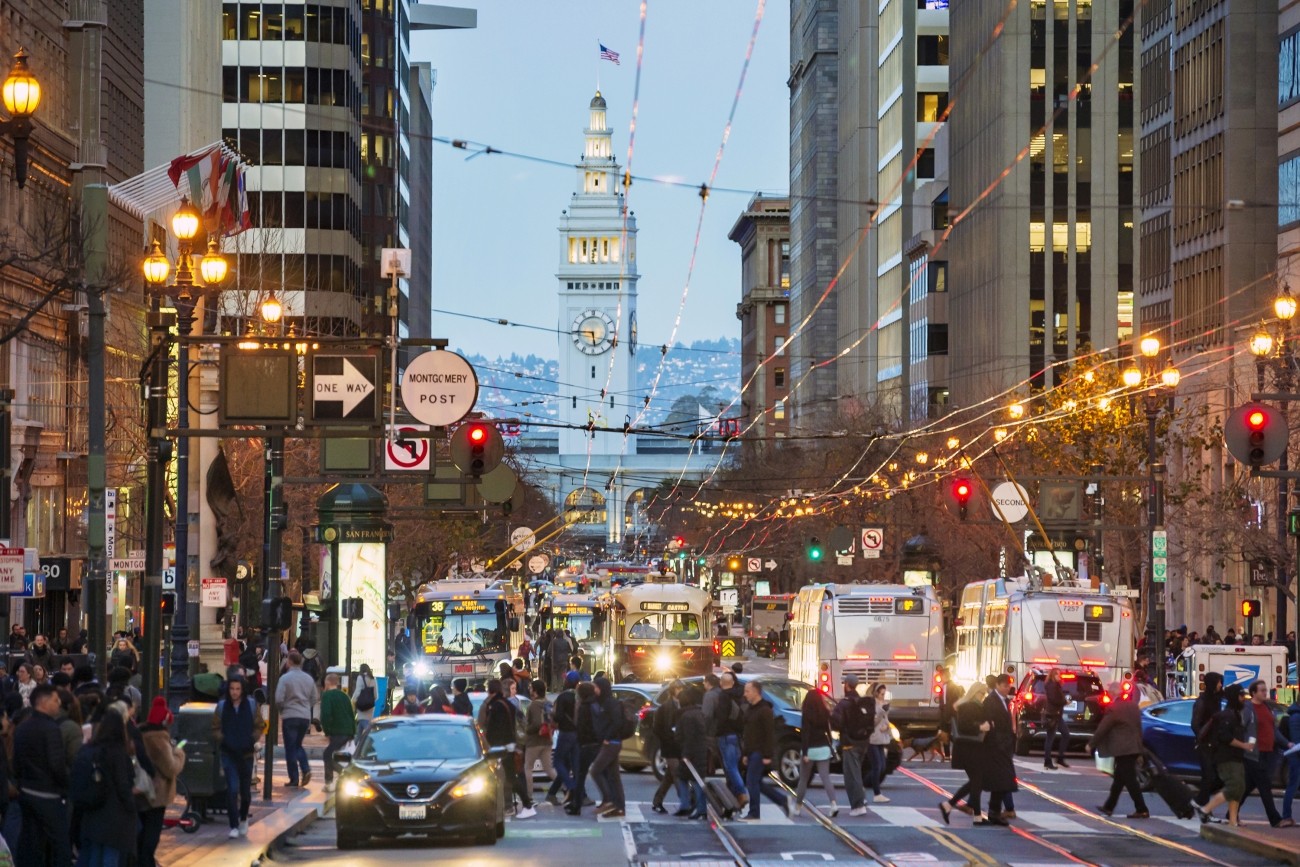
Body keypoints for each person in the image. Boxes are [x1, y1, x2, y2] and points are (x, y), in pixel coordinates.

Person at [14, 684, 72, 866]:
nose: (59, 703)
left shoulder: (23, 728)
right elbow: (57, 764)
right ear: (44, 702)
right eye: (55, 700)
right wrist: (66, 786)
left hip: (26, 791)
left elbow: (16, 762)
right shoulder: (51, 729)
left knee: (31, 843)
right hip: (48, 794)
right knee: (60, 844)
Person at [74, 709, 138, 865]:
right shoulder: (118, 753)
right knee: (110, 856)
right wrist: (132, 807)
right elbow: (123, 786)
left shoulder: (90, 750)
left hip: (93, 811)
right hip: (115, 815)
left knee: (94, 855)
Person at [213, 676, 265, 838]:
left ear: (242, 690)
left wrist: (251, 739)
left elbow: (260, 725)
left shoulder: (250, 705)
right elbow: (215, 727)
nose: (234, 692)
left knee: (245, 792)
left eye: (237, 689)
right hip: (228, 753)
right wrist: (223, 739)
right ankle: (234, 824)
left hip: (246, 753)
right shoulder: (222, 707)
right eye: (232, 689)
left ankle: (243, 818)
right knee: (232, 789)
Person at [1090, 680, 1150, 818]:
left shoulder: (1114, 708)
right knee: (1119, 779)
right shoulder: (1134, 706)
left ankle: (1142, 808)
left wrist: (1091, 744)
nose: (1109, 695)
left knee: (1130, 780)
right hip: (1134, 747)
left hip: (1123, 750)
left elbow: (1103, 728)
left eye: (1110, 692)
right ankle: (1109, 807)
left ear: (1113, 693)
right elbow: (1138, 728)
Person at [139, 697, 186, 867]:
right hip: (156, 794)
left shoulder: (141, 734)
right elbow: (171, 768)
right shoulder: (158, 739)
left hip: (142, 791)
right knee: (151, 835)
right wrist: (179, 753)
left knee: (142, 831)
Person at [1198, 683, 1252, 826]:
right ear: (1235, 697)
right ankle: (1205, 809)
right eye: (1241, 696)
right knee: (1234, 786)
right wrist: (1244, 746)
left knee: (1239, 788)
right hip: (1227, 758)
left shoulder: (1234, 714)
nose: (1244, 699)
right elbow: (1225, 737)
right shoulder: (1228, 715)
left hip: (1235, 756)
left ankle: (1233, 820)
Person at [1241, 679, 1294, 827]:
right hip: (1253, 753)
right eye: (1262, 690)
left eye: (1265, 690)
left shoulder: (1266, 707)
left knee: (1248, 786)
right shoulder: (1248, 708)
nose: (1265, 692)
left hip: (1267, 752)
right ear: (1253, 693)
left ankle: (1230, 813)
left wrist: (1287, 743)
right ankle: (1275, 819)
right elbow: (1241, 728)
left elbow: (1273, 730)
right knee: (1265, 786)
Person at [483, 679, 536, 819]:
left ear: (491, 690)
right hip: (509, 745)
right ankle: (525, 804)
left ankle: (527, 805)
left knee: (508, 777)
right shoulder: (506, 704)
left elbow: (495, 728)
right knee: (510, 777)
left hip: (501, 747)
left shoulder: (496, 705)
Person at [939, 682, 991, 823]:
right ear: (975, 693)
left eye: (984, 694)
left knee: (976, 781)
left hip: (970, 748)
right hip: (968, 748)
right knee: (977, 781)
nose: (983, 696)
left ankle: (951, 806)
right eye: (982, 693)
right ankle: (976, 816)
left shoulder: (971, 705)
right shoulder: (969, 706)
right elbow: (964, 726)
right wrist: (981, 726)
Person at [738, 679, 788, 819]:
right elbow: (748, 733)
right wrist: (745, 753)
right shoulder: (751, 709)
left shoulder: (765, 710)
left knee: (752, 782)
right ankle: (781, 800)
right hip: (752, 751)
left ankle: (754, 812)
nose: (745, 694)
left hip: (759, 752)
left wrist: (767, 755)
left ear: (755, 692)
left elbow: (769, 734)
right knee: (756, 782)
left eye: (747, 691)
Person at [977, 673, 1018, 826]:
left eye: (1008, 686)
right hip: (995, 747)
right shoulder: (990, 701)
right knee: (1001, 780)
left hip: (1004, 747)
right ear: (997, 685)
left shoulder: (1005, 701)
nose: (1007, 689)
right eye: (1004, 686)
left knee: (1003, 781)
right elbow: (988, 721)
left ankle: (994, 811)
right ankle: (993, 812)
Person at [792, 681, 838, 817]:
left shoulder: (806, 713)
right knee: (826, 778)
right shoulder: (825, 713)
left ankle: (798, 806)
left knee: (803, 779)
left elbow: (805, 733)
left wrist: (805, 752)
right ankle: (834, 803)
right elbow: (828, 732)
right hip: (824, 748)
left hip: (810, 749)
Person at [274, 650, 319, 788]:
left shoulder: (285, 679)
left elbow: (278, 698)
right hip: (304, 716)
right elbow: (314, 697)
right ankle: (305, 769)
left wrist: (282, 709)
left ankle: (294, 777)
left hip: (290, 715)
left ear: (289, 662)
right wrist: (306, 707)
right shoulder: (308, 679)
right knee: (298, 744)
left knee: (290, 747)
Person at [830, 674, 872, 816]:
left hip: (849, 743)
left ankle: (858, 805)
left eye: (844, 683)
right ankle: (862, 799)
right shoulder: (861, 702)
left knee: (851, 775)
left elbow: (836, 724)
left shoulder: (844, 703)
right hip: (863, 743)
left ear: (847, 685)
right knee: (857, 773)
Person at [587, 675, 626, 818]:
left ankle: (609, 799)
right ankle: (619, 807)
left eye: (596, 687)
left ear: (602, 688)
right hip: (610, 742)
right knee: (614, 776)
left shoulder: (611, 703)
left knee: (596, 770)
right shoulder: (602, 702)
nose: (595, 690)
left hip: (612, 743)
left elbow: (617, 722)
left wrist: (607, 738)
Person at [650, 680, 688, 814]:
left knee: (669, 777)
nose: (681, 690)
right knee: (677, 774)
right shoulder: (665, 707)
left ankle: (657, 801)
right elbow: (658, 728)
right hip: (670, 747)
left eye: (682, 688)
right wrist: (668, 739)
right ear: (673, 690)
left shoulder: (682, 705)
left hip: (678, 747)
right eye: (679, 688)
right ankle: (686, 802)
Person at [546, 670, 581, 808]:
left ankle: (571, 786)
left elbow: (559, 716)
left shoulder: (563, 697)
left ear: (567, 682)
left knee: (558, 762)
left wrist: (551, 715)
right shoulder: (578, 697)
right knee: (570, 765)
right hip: (577, 734)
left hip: (565, 733)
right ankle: (553, 793)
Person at [714, 671, 749, 810]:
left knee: (731, 767)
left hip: (726, 734)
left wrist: (717, 731)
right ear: (733, 682)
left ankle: (741, 793)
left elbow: (722, 717)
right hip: (738, 735)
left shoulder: (723, 696)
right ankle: (734, 796)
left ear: (721, 683)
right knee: (735, 766)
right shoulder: (741, 695)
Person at [1191, 671, 1225, 808]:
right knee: (1209, 775)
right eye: (1218, 682)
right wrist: (1202, 737)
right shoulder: (1203, 701)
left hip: (1215, 744)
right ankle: (1201, 804)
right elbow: (1195, 723)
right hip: (1206, 744)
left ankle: (1200, 801)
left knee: (1217, 777)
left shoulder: (1216, 699)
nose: (1220, 685)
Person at [676, 685, 709, 819]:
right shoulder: (698, 713)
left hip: (690, 754)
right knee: (695, 780)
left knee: (691, 780)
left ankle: (698, 808)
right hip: (699, 752)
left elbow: (688, 737)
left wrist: (686, 754)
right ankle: (694, 807)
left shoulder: (686, 716)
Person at [320, 673, 357, 794]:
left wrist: (327, 731)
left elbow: (326, 715)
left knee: (327, 755)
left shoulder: (327, 696)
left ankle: (331, 781)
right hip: (348, 731)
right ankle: (344, 774)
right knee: (335, 755)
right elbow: (352, 714)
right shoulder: (345, 696)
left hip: (337, 731)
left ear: (327, 682)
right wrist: (353, 731)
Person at [523, 679, 557, 800]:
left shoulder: (534, 705)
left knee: (528, 768)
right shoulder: (548, 703)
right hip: (547, 739)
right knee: (549, 768)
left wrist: (527, 729)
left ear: (535, 691)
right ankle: (567, 788)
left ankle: (529, 796)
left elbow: (536, 723)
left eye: (531, 688)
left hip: (534, 741)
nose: (530, 690)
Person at [572, 681, 600, 815]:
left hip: (585, 744)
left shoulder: (583, 707)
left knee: (580, 775)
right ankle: (611, 801)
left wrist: (579, 740)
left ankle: (576, 805)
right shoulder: (596, 705)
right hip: (597, 743)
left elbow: (581, 727)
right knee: (604, 774)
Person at [866, 682, 892, 803]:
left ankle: (862, 783)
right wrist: (882, 712)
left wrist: (887, 727)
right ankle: (877, 794)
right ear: (876, 693)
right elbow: (872, 723)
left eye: (884, 693)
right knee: (877, 766)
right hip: (872, 738)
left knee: (882, 766)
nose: (883, 696)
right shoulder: (872, 704)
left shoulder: (884, 704)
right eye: (881, 693)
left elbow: (886, 721)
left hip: (881, 738)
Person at [1042, 669, 1072, 770]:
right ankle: (1048, 760)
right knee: (1050, 737)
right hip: (1053, 714)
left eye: (1059, 674)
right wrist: (1064, 702)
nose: (1059, 676)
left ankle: (1060, 757)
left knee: (1066, 734)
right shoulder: (1051, 685)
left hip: (1057, 715)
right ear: (1053, 675)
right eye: (1057, 674)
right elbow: (1054, 699)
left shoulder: (1055, 685)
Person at [1282, 698, 1300, 824]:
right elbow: (1296, 739)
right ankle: (1286, 815)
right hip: (1296, 756)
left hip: (1296, 755)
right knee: (1293, 785)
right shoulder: (1296, 717)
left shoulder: (1295, 715)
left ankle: (1287, 815)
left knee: (1293, 785)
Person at [352, 663, 378, 736]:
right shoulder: (373, 678)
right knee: (361, 724)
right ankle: (357, 743)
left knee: (364, 723)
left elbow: (357, 692)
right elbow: (376, 695)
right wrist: (369, 701)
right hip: (370, 706)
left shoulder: (360, 678)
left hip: (361, 705)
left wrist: (353, 700)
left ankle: (369, 739)